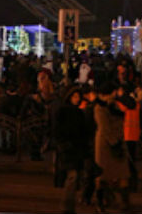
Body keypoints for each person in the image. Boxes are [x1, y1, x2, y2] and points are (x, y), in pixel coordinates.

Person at [93, 82, 131, 213]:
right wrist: (115, 142)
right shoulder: (99, 108)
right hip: (105, 145)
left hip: (118, 142)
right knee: (102, 176)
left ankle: (124, 202)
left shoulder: (114, 105)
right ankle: (100, 202)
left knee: (123, 174)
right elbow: (104, 128)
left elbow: (130, 105)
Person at [55, 86, 89, 214]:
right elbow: (57, 130)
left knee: (75, 177)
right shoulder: (63, 112)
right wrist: (62, 144)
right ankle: (67, 205)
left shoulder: (79, 113)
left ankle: (69, 204)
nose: (77, 99)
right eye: (75, 97)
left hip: (76, 148)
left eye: (78, 97)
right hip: (69, 148)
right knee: (72, 176)